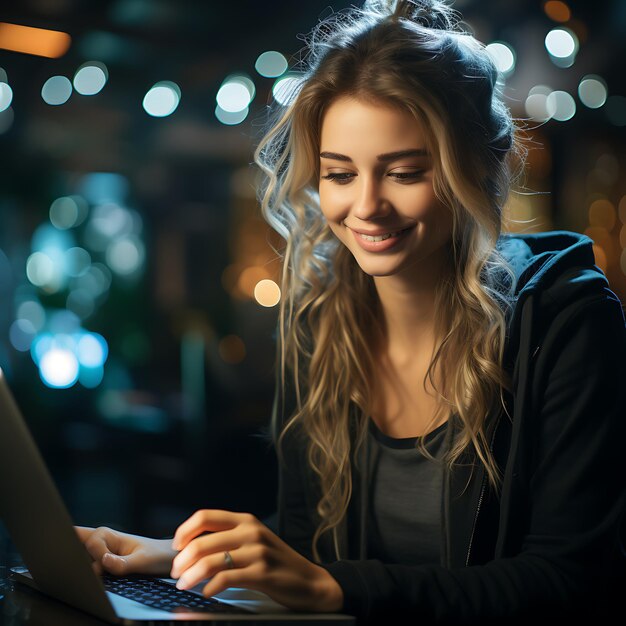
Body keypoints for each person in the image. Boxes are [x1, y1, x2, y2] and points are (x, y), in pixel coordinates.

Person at [77, 0, 626, 623]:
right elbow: (316, 545)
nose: (366, 207)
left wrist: (332, 590)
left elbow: (571, 580)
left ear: (479, 167)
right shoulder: (320, 321)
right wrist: (170, 554)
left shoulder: (566, 322)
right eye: (340, 174)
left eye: (404, 172)